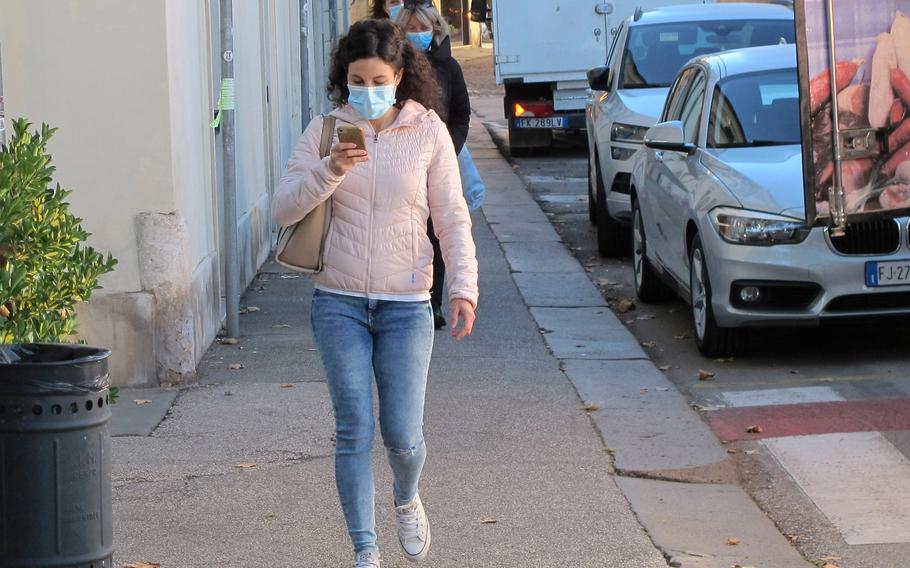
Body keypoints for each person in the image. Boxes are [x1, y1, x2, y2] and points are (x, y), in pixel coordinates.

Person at [272, 19, 478, 568]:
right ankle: (366, 551)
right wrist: (329, 170)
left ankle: (407, 495)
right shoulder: (324, 131)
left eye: (378, 79)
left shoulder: (428, 131)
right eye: (357, 80)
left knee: (403, 436)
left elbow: (453, 219)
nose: (368, 90)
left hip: (407, 303)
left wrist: (463, 288)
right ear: (345, 78)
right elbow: (283, 207)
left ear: (400, 75)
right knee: (352, 429)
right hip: (337, 301)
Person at [393, 0, 472, 329]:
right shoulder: (394, 67)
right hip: (401, 163)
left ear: (435, 30)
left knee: (438, 233)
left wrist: (446, 152)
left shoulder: (449, 67)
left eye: (423, 29)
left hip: (438, 162)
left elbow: (461, 114)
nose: (417, 35)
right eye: (410, 30)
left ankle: (432, 302)